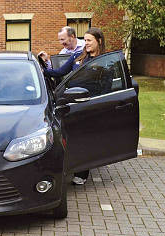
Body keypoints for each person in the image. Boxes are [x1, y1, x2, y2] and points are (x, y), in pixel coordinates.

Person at [39, 27, 106, 185]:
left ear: (99, 41)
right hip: (73, 102)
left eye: (89, 41)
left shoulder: (104, 61)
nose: (86, 44)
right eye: (86, 40)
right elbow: (59, 72)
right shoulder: (79, 55)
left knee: (86, 139)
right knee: (73, 138)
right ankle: (73, 166)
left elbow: (105, 86)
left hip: (91, 104)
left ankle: (82, 174)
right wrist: (42, 69)